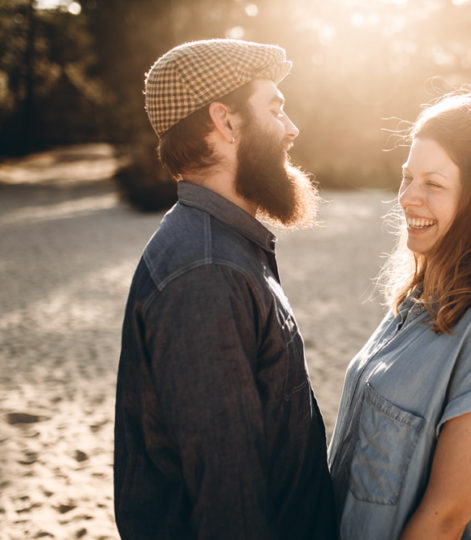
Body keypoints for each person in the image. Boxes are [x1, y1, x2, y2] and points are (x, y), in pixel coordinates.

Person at [114, 39, 337, 539]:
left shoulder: (220, 246)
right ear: (226, 122)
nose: (291, 126)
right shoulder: (206, 272)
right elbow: (230, 501)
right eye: (276, 108)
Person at [328, 90, 471, 539]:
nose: (408, 197)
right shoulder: (418, 300)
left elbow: (446, 518)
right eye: (407, 177)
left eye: (433, 184)